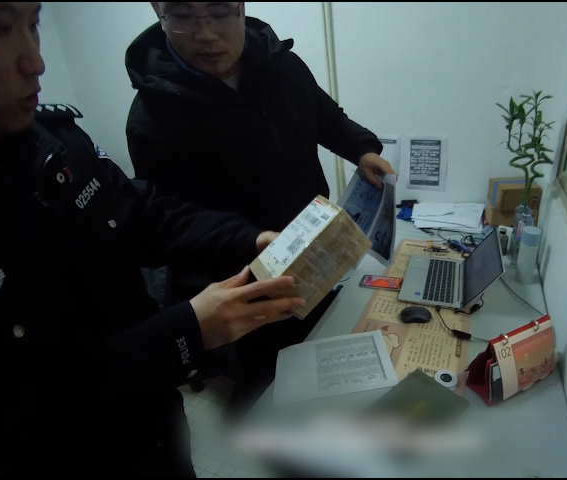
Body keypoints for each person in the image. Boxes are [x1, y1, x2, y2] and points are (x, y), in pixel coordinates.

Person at [0, 2, 304, 476]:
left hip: (153, 431)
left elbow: (143, 213)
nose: (36, 61)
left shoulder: (56, 143)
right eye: (2, 28)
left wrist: (251, 239)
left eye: (34, 25)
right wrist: (185, 331)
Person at [125, 1, 396, 401]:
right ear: (157, 10)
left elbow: (323, 115)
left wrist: (361, 148)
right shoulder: (152, 115)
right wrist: (250, 241)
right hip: (243, 274)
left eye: (220, 12)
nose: (206, 33)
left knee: (330, 353)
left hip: (314, 250)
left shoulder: (281, 64)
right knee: (273, 388)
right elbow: (171, 221)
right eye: (182, 16)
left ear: (241, 6)